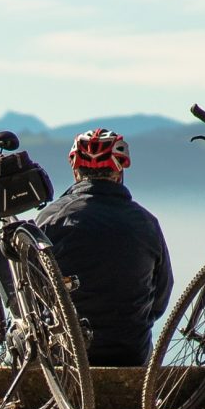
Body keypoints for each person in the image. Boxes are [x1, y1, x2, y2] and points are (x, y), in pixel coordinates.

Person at [33, 128, 173, 367]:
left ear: (76, 172)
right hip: (130, 354)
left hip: (64, 357)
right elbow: (160, 298)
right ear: (119, 172)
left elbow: (30, 294)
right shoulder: (146, 223)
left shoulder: (50, 219)